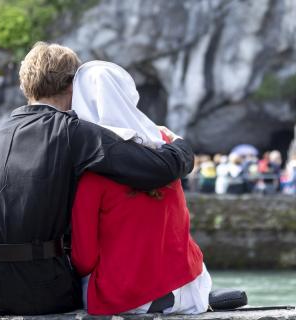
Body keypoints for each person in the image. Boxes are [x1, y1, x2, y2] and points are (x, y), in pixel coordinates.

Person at [0, 42, 194, 316]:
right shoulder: (74, 132)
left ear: (24, 86)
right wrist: (180, 145)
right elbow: (160, 169)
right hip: (39, 290)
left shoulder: (1, 130)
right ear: (72, 85)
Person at [69, 60, 210, 315]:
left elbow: (84, 258)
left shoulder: (93, 170)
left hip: (131, 297)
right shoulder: (166, 142)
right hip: (191, 285)